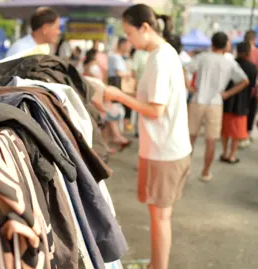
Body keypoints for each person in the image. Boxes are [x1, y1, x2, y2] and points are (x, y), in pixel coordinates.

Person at [98, 4, 192, 269]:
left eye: (129, 33)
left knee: (160, 217)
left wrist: (117, 96)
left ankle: (158, 266)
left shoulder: (161, 58)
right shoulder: (161, 54)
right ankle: (155, 263)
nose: (128, 39)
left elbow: (155, 110)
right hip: (169, 147)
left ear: (145, 28)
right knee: (162, 215)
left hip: (164, 151)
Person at [185, 31, 249, 181]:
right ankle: (205, 172)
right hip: (216, 103)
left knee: (190, 137)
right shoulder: (229, 62)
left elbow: (184, 68)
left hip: (197, 100)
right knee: (211, 140)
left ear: (212, 43)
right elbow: (244, 81)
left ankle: (186, 169)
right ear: (226, 44)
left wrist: (188, 87)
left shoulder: (202, 57)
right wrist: (226, 94)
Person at [84, 49, 131, 154]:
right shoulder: (93, 68)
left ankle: (111, 142)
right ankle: (116, 137)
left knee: (108, 119)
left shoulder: (90, 67)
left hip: (95, 98)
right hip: (96, 100)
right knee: (109, 117)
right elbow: (98, 84)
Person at [221, 42, 257, 164]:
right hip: (242, 104)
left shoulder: (230, 64)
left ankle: (224, 152)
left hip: (227, 101)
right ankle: (232, 155)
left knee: (225, 130)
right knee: (236, 133)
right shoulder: (252, 67)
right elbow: (252, 85)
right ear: (248, 52)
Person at [108, 37, 133, 131]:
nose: (129, 47)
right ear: (122, 45)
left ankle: (118, 132)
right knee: (116, 108)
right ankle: (117, 132)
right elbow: (118, 72)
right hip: (117, 85)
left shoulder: (119, 57)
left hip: (117, 85)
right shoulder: (116, 57)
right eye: (128, 44)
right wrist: (129, 74)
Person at [241, 30, 258, 148]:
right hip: (253, 87)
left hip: (240, 89)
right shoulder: (256, 52)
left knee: (242, 111)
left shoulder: (240, 52)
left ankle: (241, 133)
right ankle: (246, 134)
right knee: (251, 112)